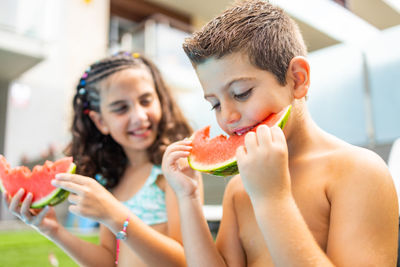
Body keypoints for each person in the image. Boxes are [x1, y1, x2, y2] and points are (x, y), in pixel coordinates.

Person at [161, 1, 399, 266]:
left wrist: (271, 198)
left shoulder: (358, 171)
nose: (227, 117)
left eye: (241, 93)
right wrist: (189, 198)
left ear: (297, 79)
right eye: (215, 104)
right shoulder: (239, 188)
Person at [5, 51, 200, 266]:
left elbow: (186, 261)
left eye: (146, 100)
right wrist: (54, 231)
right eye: (121, 108)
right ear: (100, 122)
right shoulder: (111, 178)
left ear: (160, 101)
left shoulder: (174, 170)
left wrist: (115, 215)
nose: (139, 116)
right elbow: (108, 260)